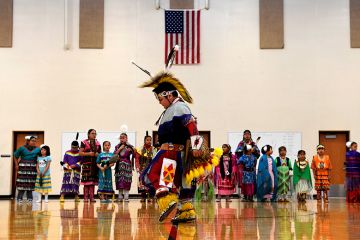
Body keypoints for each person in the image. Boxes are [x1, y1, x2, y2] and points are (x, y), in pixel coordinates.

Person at [135, 46, 215, 223]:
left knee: (149, 175)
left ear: (169, 95)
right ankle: (185, 210)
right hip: (173, 152)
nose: (160, 103)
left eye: (160, 99)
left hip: (170, 153)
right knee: (180, 182)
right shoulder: (172, 108)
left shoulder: (179, 107)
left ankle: (168, 201)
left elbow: (192, 126)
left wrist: (195, 147)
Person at [14, 135, 41, 203]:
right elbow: (15, 156)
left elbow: (42, 158)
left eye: (35, 141)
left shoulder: (38, 149)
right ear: (28, 141)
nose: (34, 142)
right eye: (32, 141)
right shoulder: (21, 148)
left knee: (30, 183)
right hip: (23, 168)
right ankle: (19, 198)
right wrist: (16, 164)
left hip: (32, 168)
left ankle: (30, 199)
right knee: (22, 182)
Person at [80, 129, 101, 202]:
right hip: (86, 164)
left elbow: (100, 154)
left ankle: (92, 197)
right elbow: (80, 153)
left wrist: (97, 155)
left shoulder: (98, 143)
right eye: (92, 133)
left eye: (95, 133)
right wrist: (89, 154)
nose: (94, 135)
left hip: (94, 165)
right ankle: (85, 197)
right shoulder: (84, 142)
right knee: (86, 182)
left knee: (92, 182)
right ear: (88, 134)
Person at [135, 132, 157, 202]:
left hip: (151, 169)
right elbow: (137, 159)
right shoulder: (140, 149)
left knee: (151, 182)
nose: (149, 141)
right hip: (142, 168)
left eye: (150, 140)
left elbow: (156, 160)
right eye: (147, 140)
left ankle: (151, 196)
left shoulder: (154, 149)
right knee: (142, 182)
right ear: (144, 140)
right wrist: (138, 167)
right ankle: (143, 197)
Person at [114, 133, 135, 202]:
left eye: (123, 138)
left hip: (127, 166)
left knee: (127, 180)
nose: (122, 139)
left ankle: (126, 196)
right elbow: (114, 155)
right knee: (119, 180)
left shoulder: (130, 146)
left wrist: (132, 149)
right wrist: (120, 149)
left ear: (127, 138)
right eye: (121, 138)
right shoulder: (117, 146)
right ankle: (120, 196)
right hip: (119, 165)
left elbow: (135, 153)